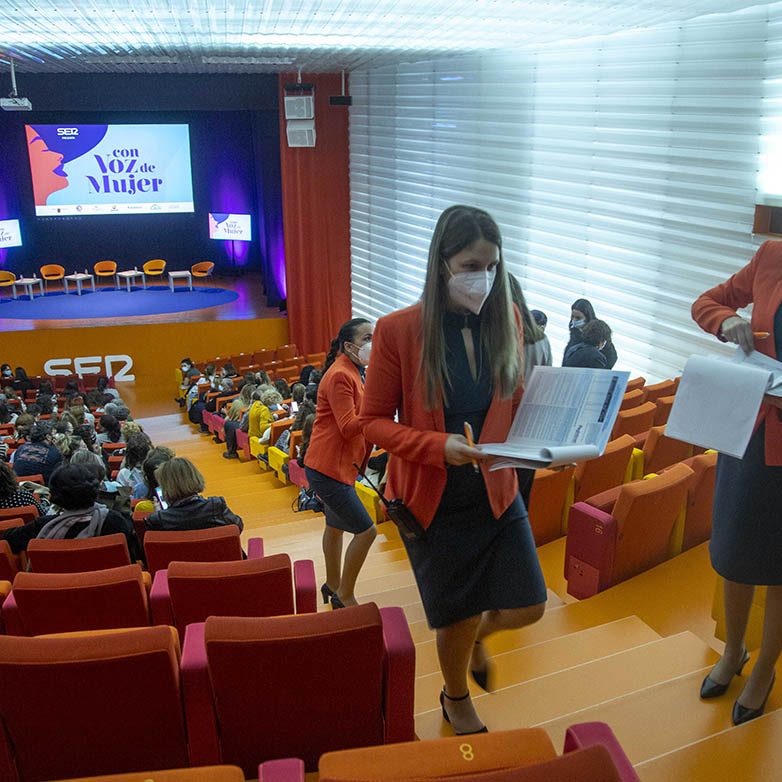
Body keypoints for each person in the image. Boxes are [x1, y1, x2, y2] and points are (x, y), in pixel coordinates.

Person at [359, 205, 547, 736]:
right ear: (441, 263)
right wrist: (437, 445)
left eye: (491, 265)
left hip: (495, 489)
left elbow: (510, 401)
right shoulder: (398, 330)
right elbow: (371, 423)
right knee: (454, 617)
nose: (482, 277)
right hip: (433, 497)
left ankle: (478, 637)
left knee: (530, 604)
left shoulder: (507, 318)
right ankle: (454, 694)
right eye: (470, 265)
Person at [692, 240, 782, 725]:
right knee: (734, 552)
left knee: (781, 568)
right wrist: (726, 321)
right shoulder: (772, 256)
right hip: (751, 433)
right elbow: (705, 303)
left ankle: (766, 668)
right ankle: (734, 652)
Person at [304, 318, 377, 610]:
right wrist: (378, 413)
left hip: (337, 465)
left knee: (334, 526)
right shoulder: (340, 375)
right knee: (367, 530)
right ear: (349, 345)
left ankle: (332, 584)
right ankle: (344, 594)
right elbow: (348, 426)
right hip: (327, 467)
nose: (374, 342)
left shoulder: (356, 371)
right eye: (367, 337)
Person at [2, 463, 142, 561]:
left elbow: (7, 539)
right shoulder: (116, 522)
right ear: (96, 490)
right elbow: (132, 559)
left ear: (52, 497)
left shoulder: (42, 527)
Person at [145, 457, 243, 532]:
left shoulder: (157, 520)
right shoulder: (215, 506)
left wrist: (158, 513)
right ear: (195, 477)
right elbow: (238, 527)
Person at [563, 298, 617, 368]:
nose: (574, 320)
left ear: (587, 317)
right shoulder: (575, 330)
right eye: (573, 316)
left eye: (578, 318)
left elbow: (612, 356)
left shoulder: (599, 331)